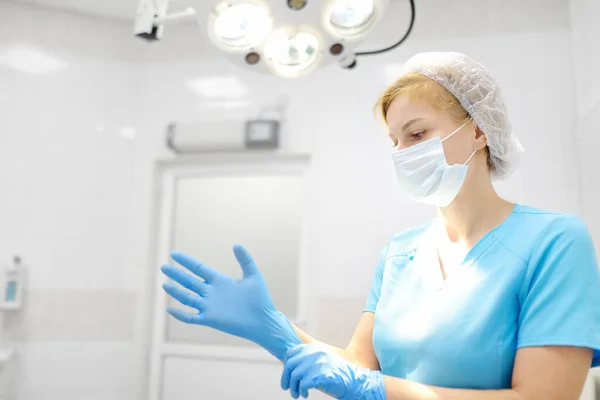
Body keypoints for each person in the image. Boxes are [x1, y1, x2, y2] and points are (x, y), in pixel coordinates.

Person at [160, 52, 600, 400]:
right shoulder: (401, 252)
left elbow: (543, 396)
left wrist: (373, 390)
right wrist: (273, 328)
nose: (402, 151)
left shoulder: (554, 242)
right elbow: (356, 366)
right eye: (394, 141)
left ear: (479, 130)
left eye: (417, 133)